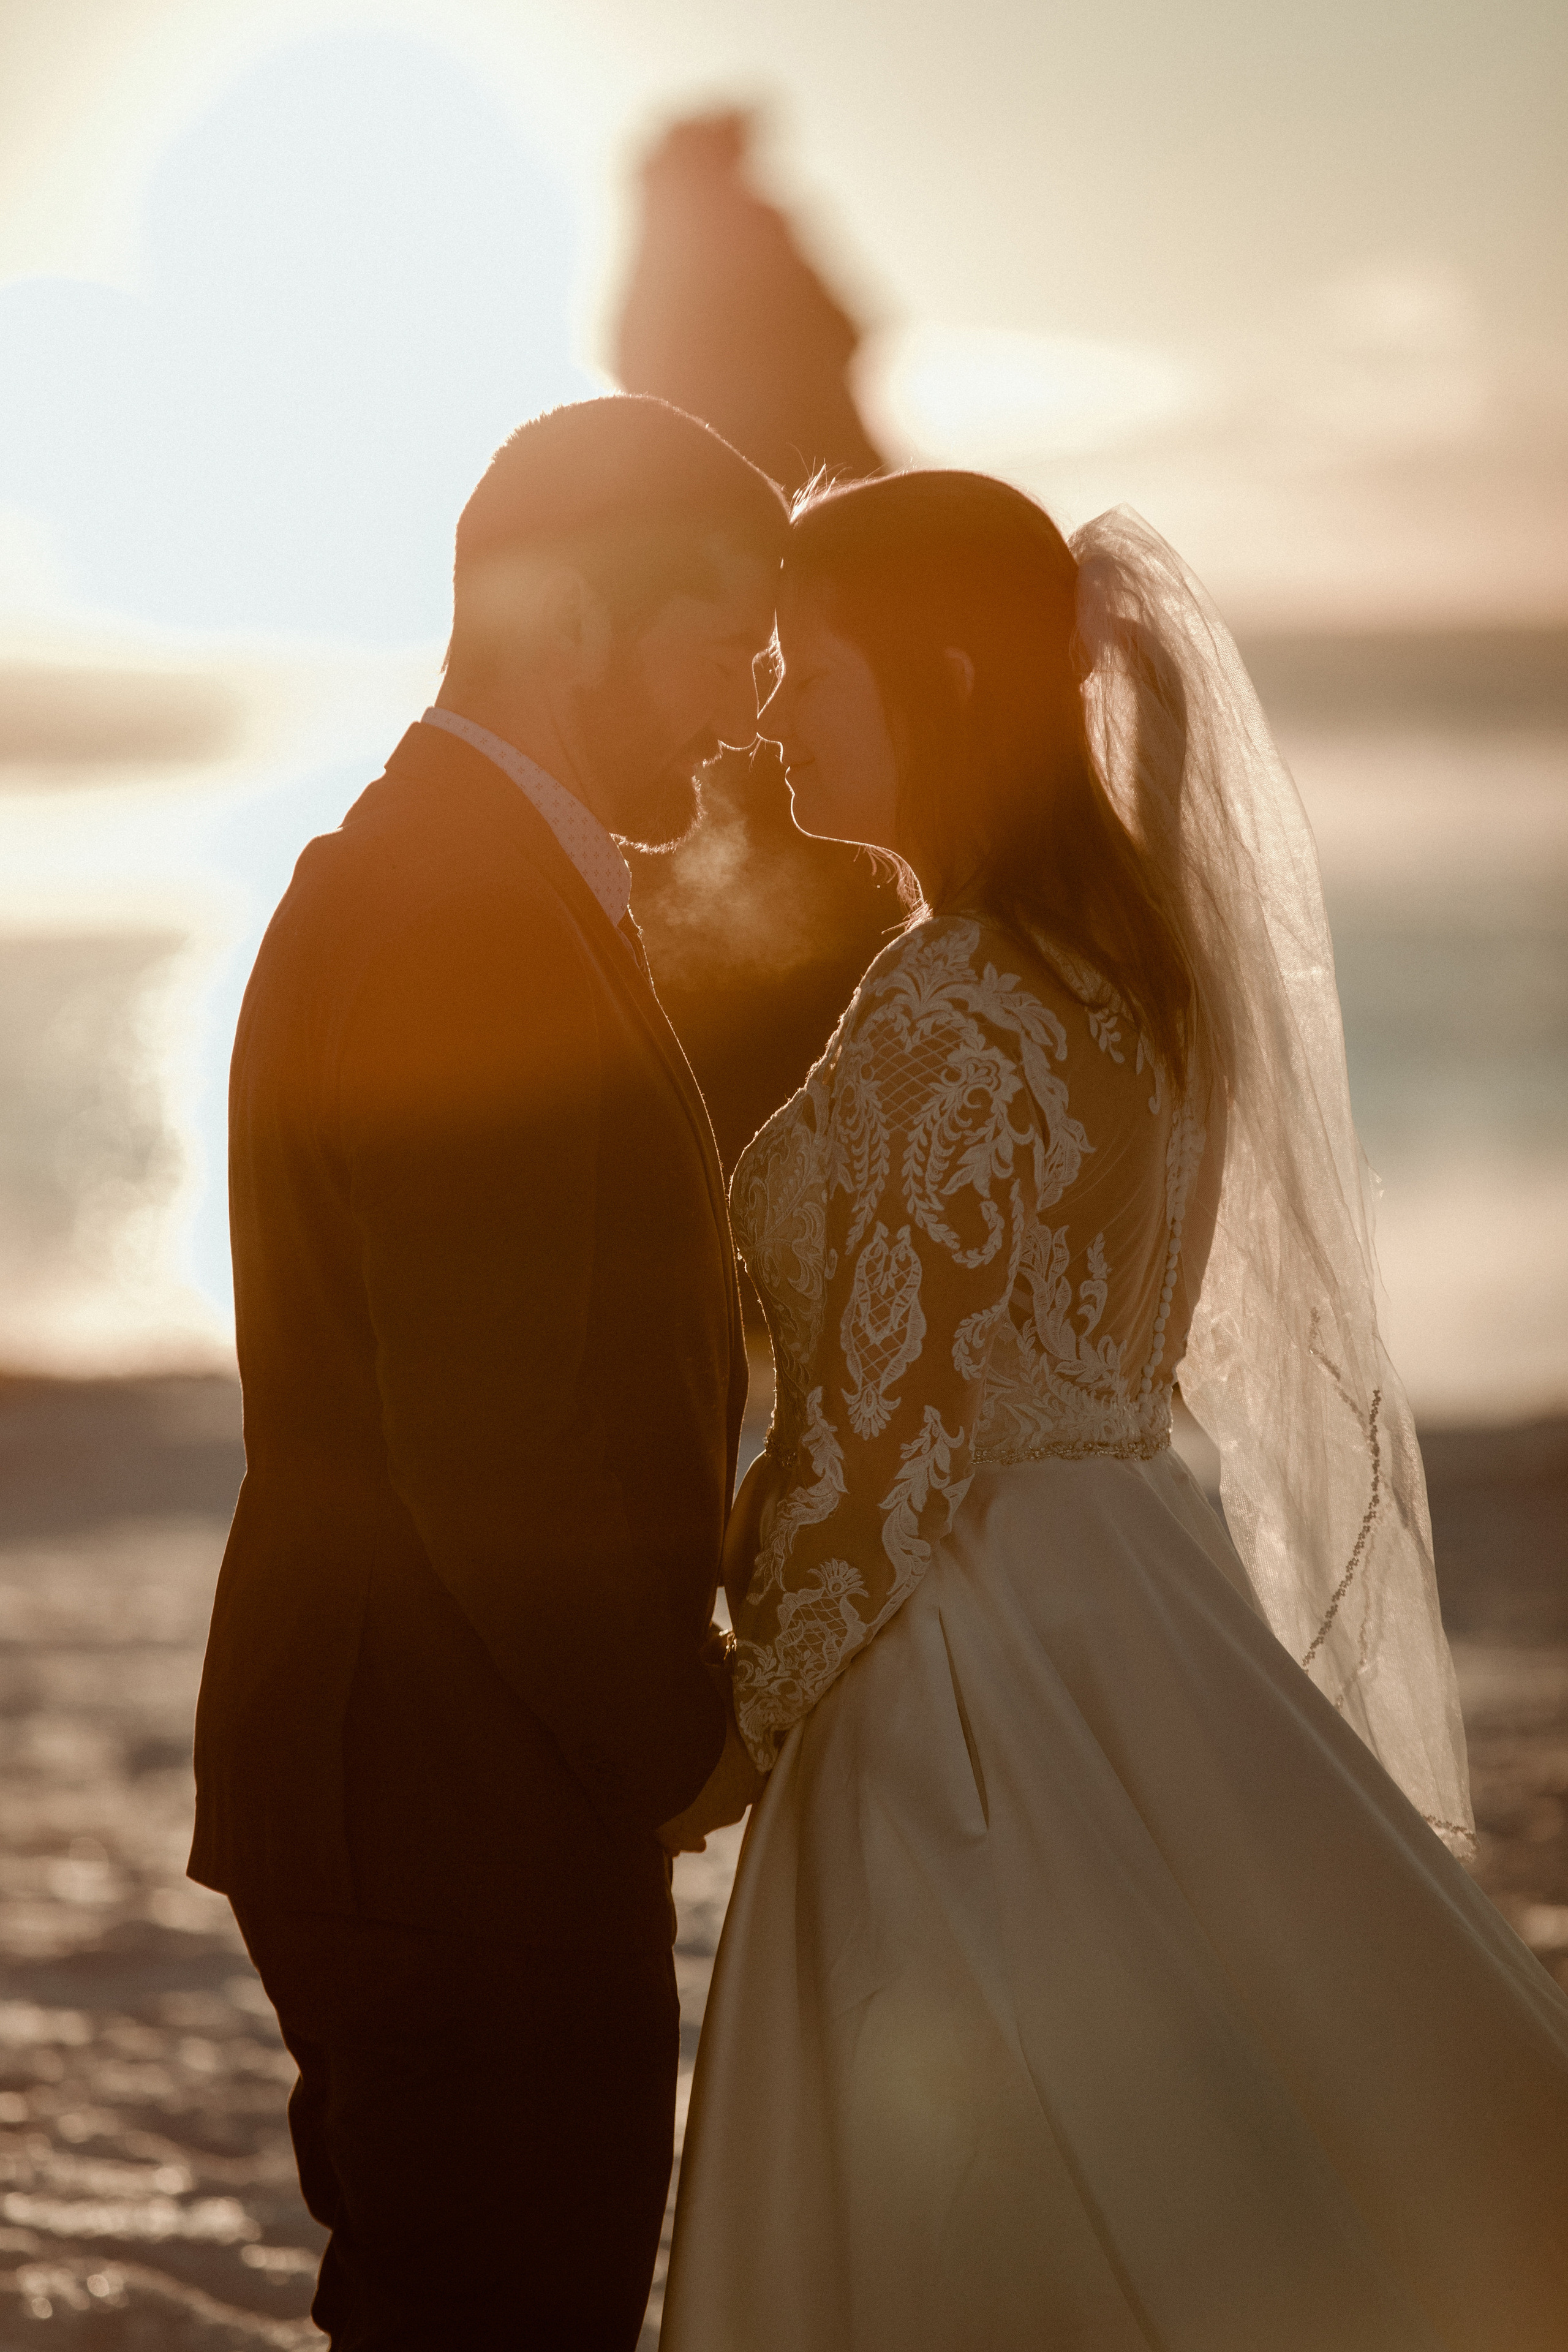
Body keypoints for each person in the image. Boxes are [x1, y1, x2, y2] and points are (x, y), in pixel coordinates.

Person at [663, 472, 1568, 2351]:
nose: (771, 712)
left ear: (934, 676)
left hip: (962, 1670)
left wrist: (728, 1726)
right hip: (1138, 1595)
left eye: (807, 669)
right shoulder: (1127, 967)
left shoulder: (952, 1001)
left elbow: (892, 1448)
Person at [188, 395, 782, 2350]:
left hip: (406, 1782)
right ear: (569, 627)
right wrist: (672, 1732)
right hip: (458, 1805)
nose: (748, 703)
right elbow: (487, 1438)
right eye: (722, 638)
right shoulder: (466, 919)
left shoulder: (439, 872)